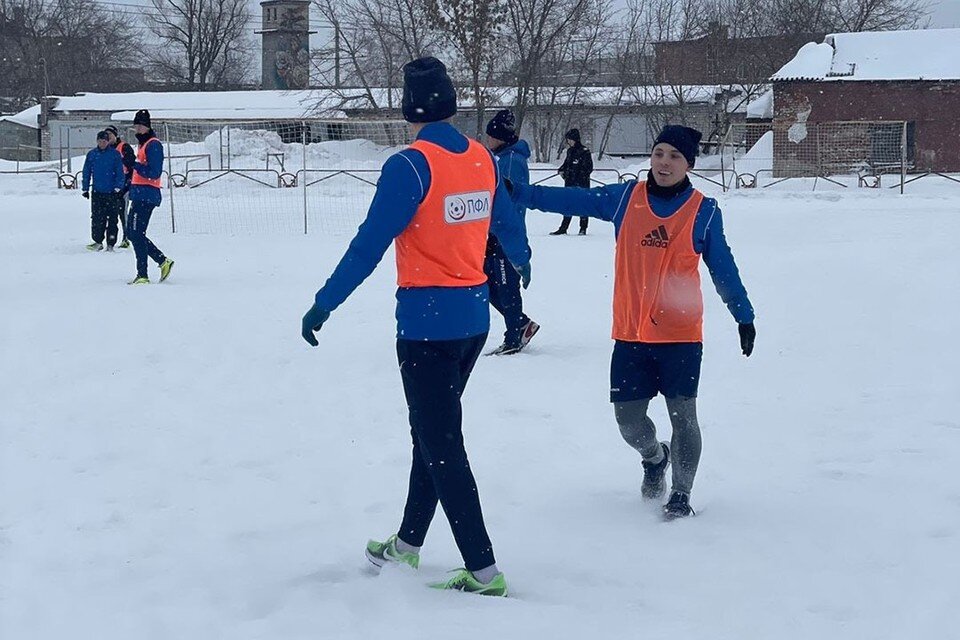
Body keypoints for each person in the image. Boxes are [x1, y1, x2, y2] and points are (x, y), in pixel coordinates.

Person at [301, 57, 532, 596]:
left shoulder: (409, 165)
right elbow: (505, 219)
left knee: (441, 441)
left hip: (428, 328)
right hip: (474, 320)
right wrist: (521, 259)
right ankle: (407, 544)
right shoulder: (480, 156)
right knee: (429, 434)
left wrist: (324, 303)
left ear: (410, 110)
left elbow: (368, 245)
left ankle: (483, 571)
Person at [512, 125, 756, 519]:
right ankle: (654, 457)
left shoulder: (702, 211)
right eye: (659, 153)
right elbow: (573, 200)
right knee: (628, 422)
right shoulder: (625, 198)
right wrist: (520, 192)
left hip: (680, 336)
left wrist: (743, 315)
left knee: (684, 416)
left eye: (675, 156)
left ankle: (680, 492)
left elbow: (723, 269)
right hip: (631, 334)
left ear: (689, 164)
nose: (664, 162)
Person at [482, 109, 540, 355]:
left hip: (506, 235)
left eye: (490, 136)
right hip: (493, 234)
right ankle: (522, 323)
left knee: (506, 287)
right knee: (484, 284)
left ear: (500, 137)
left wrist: (507, 235)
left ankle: (514, 336)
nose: (487, 140)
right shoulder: (500, 157)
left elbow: (510, 202)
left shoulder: (512, 161)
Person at [126, 109, 173, 285]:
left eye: (138, 126)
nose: (136, 130)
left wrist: (136, 166)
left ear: (146, 126)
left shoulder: (153, 144)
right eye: (135, 126)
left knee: (137, 233)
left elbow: (154, 172)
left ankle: (143, 274)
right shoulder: (143, 144)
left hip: (147, 195)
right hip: (138, 193)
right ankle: (162, 261)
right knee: (132, 233)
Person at [81, 130, 125, 251]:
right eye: (100, 141)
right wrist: (85, 188)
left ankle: (111, 243)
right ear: (97, 141)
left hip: (112, 193)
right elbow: (86, 171)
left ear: (108, 141)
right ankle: (98, 241)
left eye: (104, 141)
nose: (102, 143)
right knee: (97, 218)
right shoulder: (92, 154)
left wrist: (118, 187)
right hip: (97, 192)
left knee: (112, 218)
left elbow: (120, 172)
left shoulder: (115, 154)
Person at [550, 128, 593, 236]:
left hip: (581, 184)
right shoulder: (570, 151)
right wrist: (561, 170)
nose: (568, 142)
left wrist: (578, 175)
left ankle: (583, 228)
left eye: (569, 139)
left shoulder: (584, 152)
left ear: (574, 139)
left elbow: (588, 168)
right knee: (568, 205)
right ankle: (563, 228)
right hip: (569, 183)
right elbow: (566, 164)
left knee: (583, 205)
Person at [105, 124, 134, 249]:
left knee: (124, 214)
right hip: (110, 188)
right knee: (111, 215)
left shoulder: (124, 147)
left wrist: (128, 184)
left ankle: (126, 238)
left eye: (110, 135)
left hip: (124, 187)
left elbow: (131, 166)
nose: (108, 138)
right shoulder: (105, 149)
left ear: (115, 136)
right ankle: (110, 239)